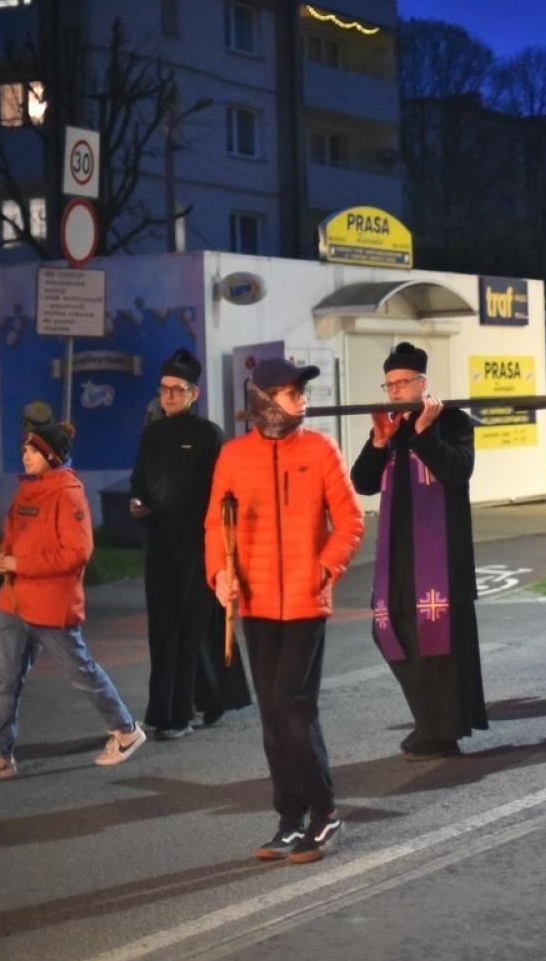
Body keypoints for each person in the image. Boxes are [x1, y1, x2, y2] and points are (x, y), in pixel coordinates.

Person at [206, 358, 364, 864]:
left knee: (292, 705)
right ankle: (289, 820)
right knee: (273, 714)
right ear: (265, 400)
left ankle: (325, 812)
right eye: (294, 392)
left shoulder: (320, 450)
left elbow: (350, 520)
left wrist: (325, 569)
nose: (303, 400)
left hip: (304, 601)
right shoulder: (233, 456)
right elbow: (216, 527)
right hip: (254, 604)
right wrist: (220, 575)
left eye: (302, 393)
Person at [0, 423, 147, 781]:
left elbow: (77, 553)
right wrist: (3, 559)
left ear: (50, 456)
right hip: (12, 602)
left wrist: (18, 564)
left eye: (32, 451)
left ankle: (126, 731)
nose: (25, 456)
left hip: (50, 606)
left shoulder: (69, 493)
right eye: (24, 450)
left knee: (82, 673)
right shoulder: (26, 491)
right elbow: (14, 540)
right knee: (5, 681)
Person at [351, 342, 488, 761]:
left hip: (443, 557)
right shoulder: (389, 426)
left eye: (402, 382)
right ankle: (431, 722)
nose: (394, 391)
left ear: (423, 383)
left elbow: (456, 471)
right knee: (394, 635)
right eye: (389, 384)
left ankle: (441, 732)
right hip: (398, 557)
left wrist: (426, 434)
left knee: (441, 648)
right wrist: (378, 441)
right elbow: (363, 483)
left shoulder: (452, 421)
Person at [129, 348, 236, 740]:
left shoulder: (209, 435)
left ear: (194, 393)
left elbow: (224, 492)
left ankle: (183, 712)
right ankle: (159, 712)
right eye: (164, 389)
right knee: (161, 629)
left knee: (191, 629)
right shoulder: (152, 434)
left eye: (177, 389)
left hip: (198, 545)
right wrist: (138, 503)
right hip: (160, 543)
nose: (169, 396)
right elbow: (138, 481)